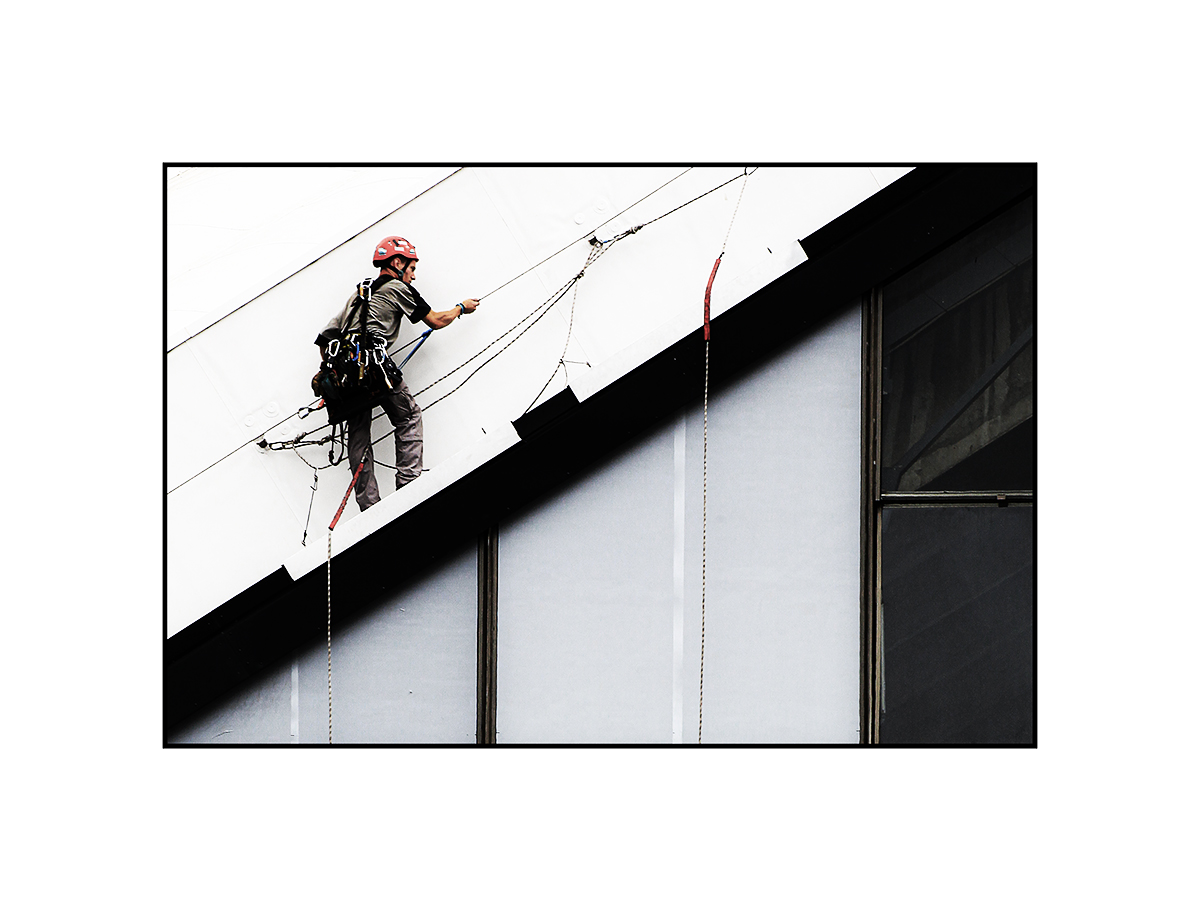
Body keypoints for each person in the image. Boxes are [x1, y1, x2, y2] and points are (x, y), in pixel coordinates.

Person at [315, 236, 479, 511]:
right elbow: (436, 320)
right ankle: (408, 486)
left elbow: (324, 339)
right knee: (409, 416)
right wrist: (461, 308)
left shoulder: (358, 294)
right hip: (376, 368)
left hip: (346, 377)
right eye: (412, 269)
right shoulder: (397, 288)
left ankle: (370, 507)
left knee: (359, 438)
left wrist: (336, 372)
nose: (413, 277)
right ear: (397, 262)